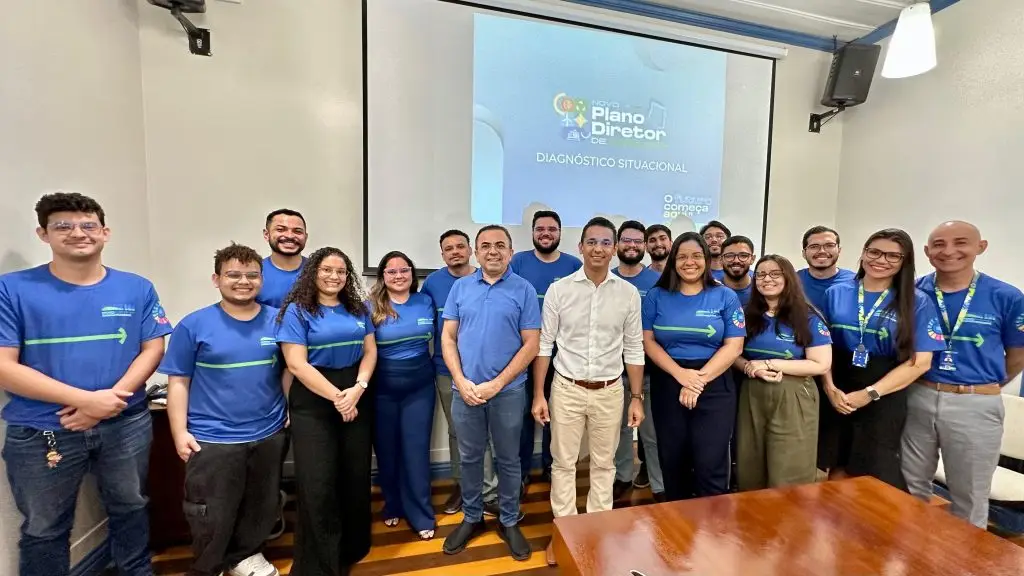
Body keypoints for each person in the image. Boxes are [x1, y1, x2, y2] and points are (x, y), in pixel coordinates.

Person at [0, 192, 172, 576]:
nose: (78, 233)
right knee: (45, 528)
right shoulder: (11, 289)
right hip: (44, 429)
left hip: (125, 422)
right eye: (63, 226)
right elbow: (4, 366)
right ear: (43, 234)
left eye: (88, 225)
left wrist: (110, 402)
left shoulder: (136, 288)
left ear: (105, 232)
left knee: (131, 505)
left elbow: (153, 348)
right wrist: (87, 401)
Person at [160, 243, 288, 576]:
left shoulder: (278, 321)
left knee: (261, 503)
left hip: (268, 432)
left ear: (261, 280)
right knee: (211, 512)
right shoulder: (194, 325)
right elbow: (178, 382)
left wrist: (289, 409)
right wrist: (179, 432)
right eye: (234, 275)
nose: (243, 281)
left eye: (252, 275)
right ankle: (210, 566)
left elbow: (288, 370)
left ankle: (245, 556)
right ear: (216, 279)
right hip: (213, 438)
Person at [532, 217, 645, 566]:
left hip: (610, 391)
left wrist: (636, 397)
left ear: (615, 249)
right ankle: (564, 536)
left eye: (605, 242)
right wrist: (539, 394)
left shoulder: (628, 294)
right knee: (563, 464)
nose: (598, 249)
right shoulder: (560, 290)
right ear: (580, 247)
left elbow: (634, 348)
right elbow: (544, 345)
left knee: (604, 465)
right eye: (591, 242)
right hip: (566, 388)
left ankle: (596, 534)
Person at [902, 221, 1024, 527]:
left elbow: (1018, 354)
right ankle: (910, 547)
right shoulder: (913, 292)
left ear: (980, 247)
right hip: (918, 394)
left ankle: (966, 555)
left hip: (974, 404)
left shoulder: (1006, 296)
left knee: (969, 496)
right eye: (939, 244)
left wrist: (981, 386)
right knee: (909, 486)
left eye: (960, 242)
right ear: (927, 252)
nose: (949, 251)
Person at [441, 225, 540, 562]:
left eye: (500, 245)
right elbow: (448, 337)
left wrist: (497, 384)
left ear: (511, 252)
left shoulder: (524, 289)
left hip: (507, 391)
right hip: (465, 391)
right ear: (476, 252)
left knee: (509, 459)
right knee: (470, 458)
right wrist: (460, 379)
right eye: (485, 245)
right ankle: (472, 517)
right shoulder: (460, 287)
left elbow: (532, 344)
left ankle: (509, 520)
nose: (493, 251)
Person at [276, 247, 376, 575]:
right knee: (318, 481)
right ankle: (322, 562)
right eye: (327, 270)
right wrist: (338, 398)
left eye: (341, 271)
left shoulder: (358, 308)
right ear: (313, 273)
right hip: (314, 399)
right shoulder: (297, 311)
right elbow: (296, 364)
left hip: (355, 392)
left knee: (354, 474)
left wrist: (358, 388)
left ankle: (352, 547)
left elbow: (369, 351)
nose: (334, 276)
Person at [819, 229, 945, 490]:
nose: (881, 260)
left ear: (904, 261)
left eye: (892, 256)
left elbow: (921, 362)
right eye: (874, 252)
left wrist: (870, 393)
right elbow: (821, 347)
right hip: (838, 386)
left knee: (874, 472)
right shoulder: (836, 292)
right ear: (863, 253)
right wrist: (829, 388)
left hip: (884, 391)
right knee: (835, 464)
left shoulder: (917, 301)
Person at [642, 232, 745, 500]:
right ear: (673, 261)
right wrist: (681, 375)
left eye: (697, 256)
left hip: (715, 382)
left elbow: (734, 346)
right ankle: (678, 521)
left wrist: (697, 380)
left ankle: (712, 523)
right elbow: (648, 341)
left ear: (707, 260)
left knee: (710, 460)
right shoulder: (656, 296)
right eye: (683, 257)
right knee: (673, 458)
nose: (690, 262)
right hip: (668, 380)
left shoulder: (725, 296)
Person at [734, 255, 832, 490]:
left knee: (789, 468)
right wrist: (748, 366)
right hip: (752, 393)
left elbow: (821, 364)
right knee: (750, 464)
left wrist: (770, 364)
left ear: (789, 278)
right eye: (761, 274)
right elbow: (732, 353)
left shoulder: (808, 317)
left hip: (794, 393)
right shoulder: (746, 314)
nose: (767, 279)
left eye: (775, 274)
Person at [421, 230, 500, 516]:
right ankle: (463, 485)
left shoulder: (488, 278)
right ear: (442, 254)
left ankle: (488, 492)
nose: (455, 252)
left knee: (486, 434)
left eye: (460, 246)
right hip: (447, 371)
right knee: (458, 431)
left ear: (470, 251)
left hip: (486, 371)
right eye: (448, 248)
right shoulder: (432, 283)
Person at [368, 251, 436, 540]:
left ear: (412, 273)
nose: (399, 276)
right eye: (392, 271)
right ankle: (392, 504)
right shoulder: (370, 306)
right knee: (387, 451)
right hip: (382, 389)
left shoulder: (425, 301)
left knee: (416, 451)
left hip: (420, 387)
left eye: (404, 270)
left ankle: (420, 513)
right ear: (382, 276)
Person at [509, 210, 581, 484]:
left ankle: (553, 467)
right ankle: (521, 472)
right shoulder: (518, 262)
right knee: (522, 416)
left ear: (560, 233)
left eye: (552, 229)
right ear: (532, 232)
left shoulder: (574, 265)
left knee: (557, 414)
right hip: (522, 354)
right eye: (540, 229)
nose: (546, 234)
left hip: (563, 356)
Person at [611, 220, 664, 501]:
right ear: (617, 244)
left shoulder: (658, 281)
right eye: (626, 240)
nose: (631, 246)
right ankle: (623, 476)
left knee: (652, 433)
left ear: (644, 246)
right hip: (614, 370)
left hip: (651, 370)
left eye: (637, 241)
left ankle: (659, 484)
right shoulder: (606, 279)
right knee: (619, 430)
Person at [257, 209, 308, 308]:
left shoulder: (321, 272)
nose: (289, 236)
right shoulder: (253, 273)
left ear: (305, 237)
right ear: (266, 234)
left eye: (297, 231)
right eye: (280, 230)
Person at [798, 226, 856, 313]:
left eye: (829, 245)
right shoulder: (792, 281)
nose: (822, 251)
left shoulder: (856, 282)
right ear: (804, 253)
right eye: (814, 246)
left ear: (839, 250)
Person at [720, 235, 756, 305]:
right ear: (721, 260)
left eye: (743, 255)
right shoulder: (711, 291)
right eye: (729, 256)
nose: (736, 261)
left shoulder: (762, 289)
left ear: (752, 259)